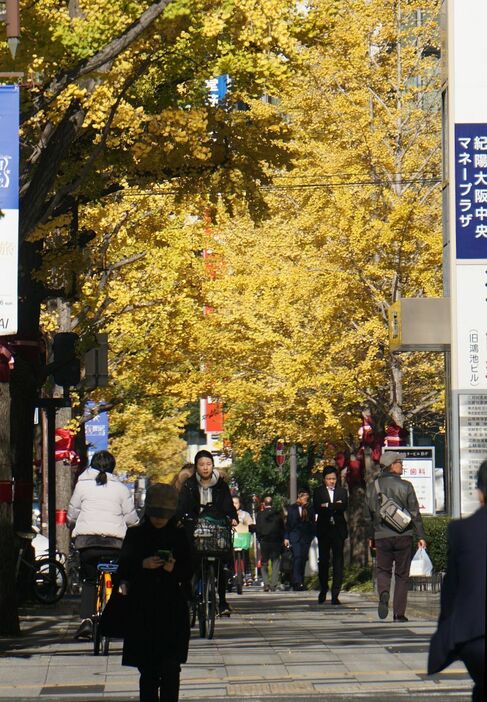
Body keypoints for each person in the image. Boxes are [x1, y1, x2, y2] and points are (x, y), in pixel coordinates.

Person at [118, 483, 193, 702]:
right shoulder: (135, 535)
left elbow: (188, 571)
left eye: (164, 515)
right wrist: (142, 564)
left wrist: (174, 569)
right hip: (143, 608)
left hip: (172, 608)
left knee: (171, 668)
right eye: (155, 515)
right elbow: (122, 568)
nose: (159, 519)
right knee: (148, 670)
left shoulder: (179, 536)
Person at [428, 461, 486, 701]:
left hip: (474, 635)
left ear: (480, 493)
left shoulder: (462, 530)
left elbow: (450, 591)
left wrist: (445, 633)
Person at [67, 450, 138, 639]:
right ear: (113, 467)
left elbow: (72, 513)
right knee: (119, 579)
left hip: (87, 544)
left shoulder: (82, 486)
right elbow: (132, 519)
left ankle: (87, 621)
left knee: (89, 580)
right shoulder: (122, 489)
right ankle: (119, 617)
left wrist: (72, 524)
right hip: (114, 544)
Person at [365, 451, 426, 622]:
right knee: (402, 575)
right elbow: (415, 513)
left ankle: (384, 593)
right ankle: (399, 614)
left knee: (383, 570)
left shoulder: (372, 487)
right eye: (399, 462)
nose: (402, 465)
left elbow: (366, 516)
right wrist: (420, 535)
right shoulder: (406, 486)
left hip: (382, 535)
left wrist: (371, 536)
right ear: (391, 465)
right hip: (403, 535)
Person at [177, 449, 237, 615]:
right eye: (201, 465)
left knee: (221, 565)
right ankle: (189, 598)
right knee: (189, 564)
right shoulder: (189, 485)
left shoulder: (221, 485)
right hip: (195, 529)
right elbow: (182, 506)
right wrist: (183, 518)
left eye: (208, 464)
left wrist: (232, 517)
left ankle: (223, 602)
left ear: (213, 466)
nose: (205, 468)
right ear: (196, 467)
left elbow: (228, 505)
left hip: (216, 530)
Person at [313, 465, 348, 604]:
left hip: (338, 530)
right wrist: (334, 505)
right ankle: (323, 589)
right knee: (324, 561)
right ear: (324, 480)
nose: (331, 481)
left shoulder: (342, 491)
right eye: (329, 479)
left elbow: (343, 506)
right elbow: (317, 507)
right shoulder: (318, 492)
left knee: (338, 562)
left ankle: (335, 593)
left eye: (334, 478)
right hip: (324, 529)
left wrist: (327, 505)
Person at [284, 488, 315, 591]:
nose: (306, 499)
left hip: (306, 536)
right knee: (297, 557)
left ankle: (301, 580)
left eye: (307, 498)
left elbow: (313, 522)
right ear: (299, 497)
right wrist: (286, 537)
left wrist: (312, 534)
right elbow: (288, 524)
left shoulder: (310, 508)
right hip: (295, 536)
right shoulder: (292, 508)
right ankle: (297, 581)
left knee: (303, 558)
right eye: (304, 497)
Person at [255, 496, 285, 592]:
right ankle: (274, 584)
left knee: (264, 561)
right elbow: (282, 528)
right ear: (272, 503)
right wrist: (282, 539)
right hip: (276, 540)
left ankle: (266, 583)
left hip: (264, 540)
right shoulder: (277, 514)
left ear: (264, 503)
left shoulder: (260, 514)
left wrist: (259, 538)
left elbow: (258, 528)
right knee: (275, 562)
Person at [232, 495, 254, 584]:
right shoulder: (227, 513)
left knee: (245, 556)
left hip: (243, 538)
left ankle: (247, 574)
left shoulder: (245, 514)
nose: (234, 505)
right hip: (231, 538)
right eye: (232, 503)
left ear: (239, 504)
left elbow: (250, 524)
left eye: (236, 503)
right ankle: (231, 574)